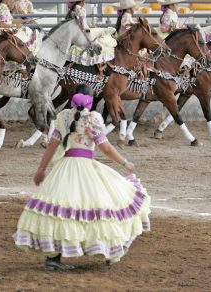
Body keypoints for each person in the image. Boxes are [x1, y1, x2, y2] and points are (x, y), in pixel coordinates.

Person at [14, 84, 151, 270]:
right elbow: (106, 148)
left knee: (62, 210)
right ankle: (109, 250)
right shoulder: (93, 118)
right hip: (87, 167)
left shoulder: (63, 117)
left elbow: (52, 146)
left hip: (65, 168)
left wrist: (41, 169)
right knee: (101, 207)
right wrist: (124, 162)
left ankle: (53, 258)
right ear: (90, 99)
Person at [0, 0, 40, 70]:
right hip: (3, 31)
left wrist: (23, 21)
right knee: (25, 36)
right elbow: (2, 24)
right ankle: (24, 62)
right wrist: (15, 25)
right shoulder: (2, 8)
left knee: (26, 32)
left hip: (6, 29)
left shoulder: (3, 7)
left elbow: (10, 20)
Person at [66, 0, 116, 66]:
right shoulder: (81, 10)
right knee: (101, 32)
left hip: (76, 32)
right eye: (84, 1)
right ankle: (110, 33)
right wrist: (91, 38)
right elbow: (83, 26)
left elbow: (79, 23)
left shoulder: (73, 10)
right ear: (82, 1)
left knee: (98, 30)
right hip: (83, 33)